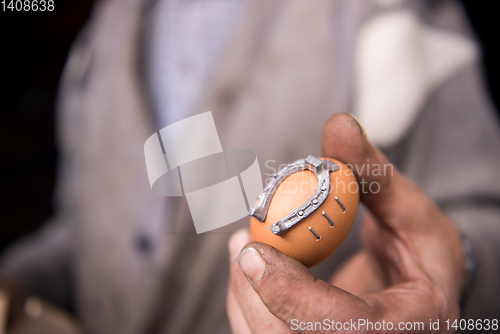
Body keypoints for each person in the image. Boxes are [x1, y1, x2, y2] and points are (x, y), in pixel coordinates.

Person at [1, 0, 500, 333]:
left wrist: (458, 274)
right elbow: (85, 226)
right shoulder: (105, 29)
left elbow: (483, 214)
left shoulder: (390, 15)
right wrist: (17, 281)